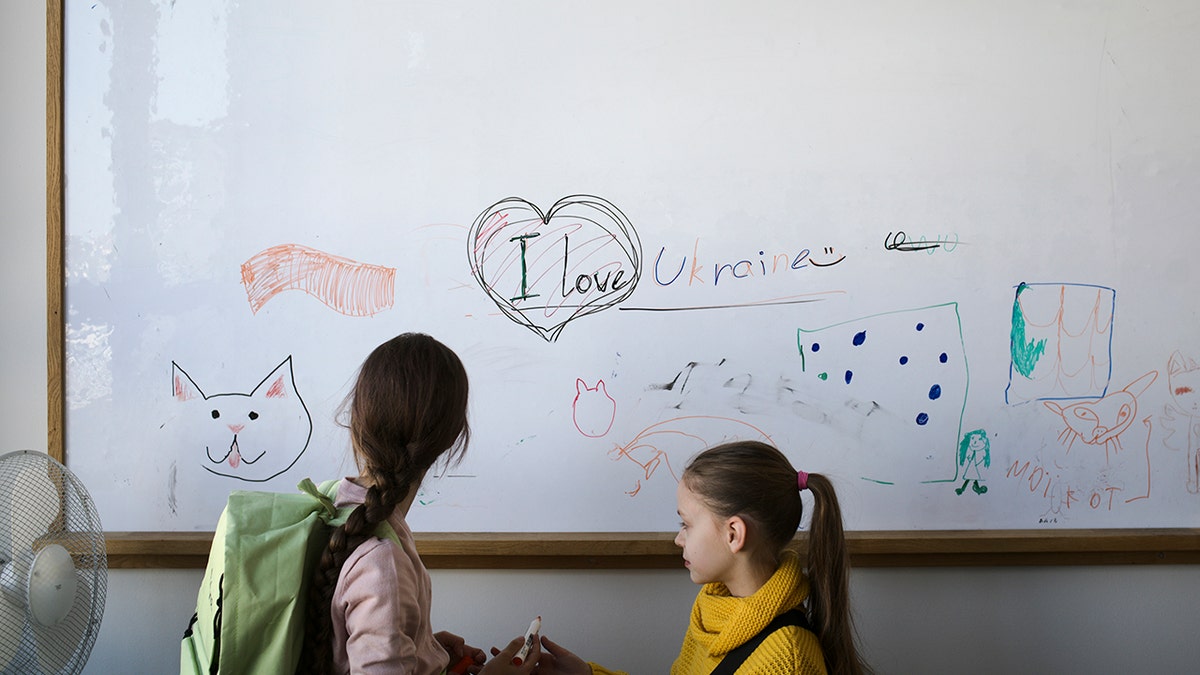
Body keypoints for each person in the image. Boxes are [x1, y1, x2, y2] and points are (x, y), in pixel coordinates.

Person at [298, 332, 541, 674]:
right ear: (454, 436)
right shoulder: (383, 564)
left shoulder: (332, 503)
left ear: (356, 421)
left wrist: (422, 648)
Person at [534, 440, 871, 675]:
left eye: (686, 524)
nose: (678, 538)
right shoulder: (714, 608)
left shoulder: (788, 660)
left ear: (733, 534)